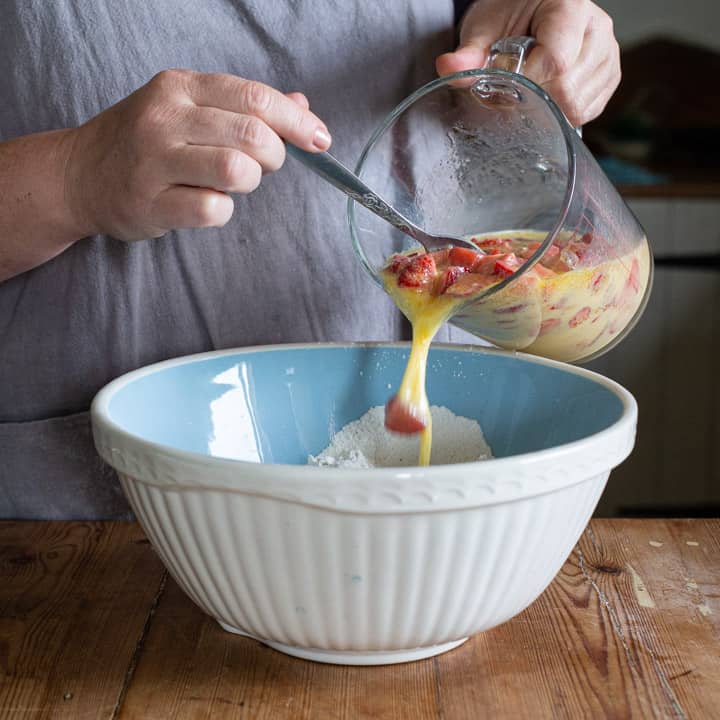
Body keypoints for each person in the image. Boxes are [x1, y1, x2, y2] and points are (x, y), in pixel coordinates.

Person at [0, 0, 620, 519]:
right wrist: (72, 175)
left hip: (459, 490)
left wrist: (532, 41)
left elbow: (493, 60)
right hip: (87, 538)